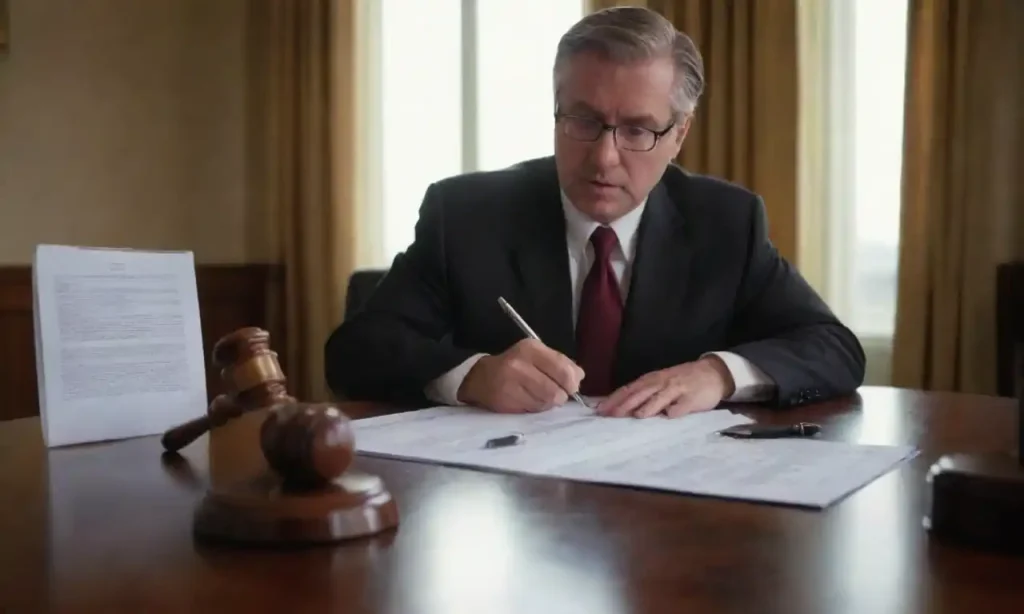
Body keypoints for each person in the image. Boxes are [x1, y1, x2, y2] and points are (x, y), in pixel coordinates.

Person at [324, 6, 865, 418]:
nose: (604, 158)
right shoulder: (466, 215)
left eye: (637, 130)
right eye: (583, 121)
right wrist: (471, 376)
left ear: (679, 135)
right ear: (555, 111)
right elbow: (355, 353)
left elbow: (834, 348)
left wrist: (719, 375)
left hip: (672, 514)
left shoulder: (726, 222)